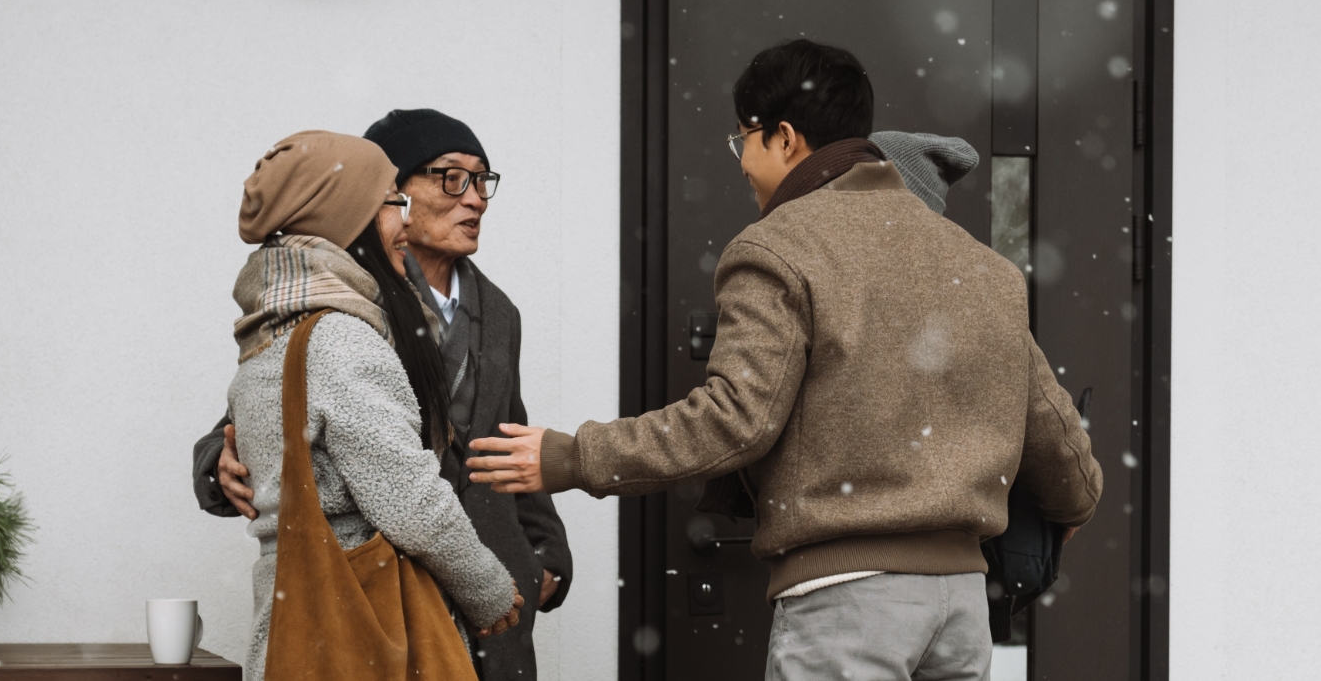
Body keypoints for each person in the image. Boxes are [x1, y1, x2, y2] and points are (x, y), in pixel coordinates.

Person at [466, 40, 1104, 681]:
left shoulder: (779, 248)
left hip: (847, 604)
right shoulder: (984, 267)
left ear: (785, 138)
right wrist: (1073, 504)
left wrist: (574, 456)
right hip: (962, 608)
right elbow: (1051, 428)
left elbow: (734, 420)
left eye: (743, 139)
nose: (743, 161)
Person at [194, 111, 572, 681]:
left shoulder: (499, 312)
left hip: (495, 587)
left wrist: (545, 555)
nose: (475, 199)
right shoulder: (342, 309)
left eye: (481, 180)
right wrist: (218, 459)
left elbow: (508, 434)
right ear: (385, 197)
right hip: (386, 595)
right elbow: (266, 407)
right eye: (451, 178)